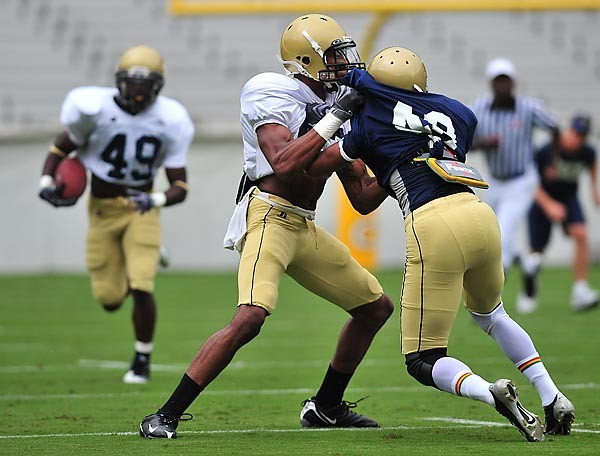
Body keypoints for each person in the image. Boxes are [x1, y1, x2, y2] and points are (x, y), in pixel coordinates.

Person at [138, 14, 394, 439]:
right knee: (251, 316)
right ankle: (164, 414)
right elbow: (285, 163)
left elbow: (363, 198)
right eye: (333, 55)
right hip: (270, 213)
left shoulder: (341, 101)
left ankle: (326, 406)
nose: (343, 63)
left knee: (374, 309)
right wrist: (336, 118)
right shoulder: (272, 90)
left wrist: (402, 162)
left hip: (305, 225)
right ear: (305, 59)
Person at [303, 47, 575, 441]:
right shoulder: (458, 112)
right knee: (492, 314)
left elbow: (316, 165)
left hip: (432, 222)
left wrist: (336, 118)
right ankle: (552, 397)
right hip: (478, 213)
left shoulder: (368, 122)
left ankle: (493, 394)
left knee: (423, 358)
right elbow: (419, 133)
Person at [38, 45, 194, 384]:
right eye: (132, 81)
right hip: (102, 209)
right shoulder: (93, 110)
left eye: (145, 82)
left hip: (141, 210)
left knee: (141, 285)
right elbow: (61, 147)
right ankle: (145, 256)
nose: (138, 90)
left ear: (158, 85)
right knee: (109, 299)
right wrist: (47, 180)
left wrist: (154, 200)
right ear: (118, 81)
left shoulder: (170, 119)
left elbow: (180, 186)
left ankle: (142, 359)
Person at [470, 58, 559, 272]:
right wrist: (485, 143)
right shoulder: (479, 108)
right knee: (495, 229)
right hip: (495, 180)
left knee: (502, 229)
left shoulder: (528, 107)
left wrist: (552, 163)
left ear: (513, 82)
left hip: (522, 180)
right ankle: (529, 267)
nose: (502, 85)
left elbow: (555, 127)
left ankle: (497, 279)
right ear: (491, 84)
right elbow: (466, 143)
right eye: (497, 81)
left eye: (506, 80)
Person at [517, 114, 600, 313]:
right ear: (568, 129)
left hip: (568, 198)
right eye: (575, 133)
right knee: (536, 255)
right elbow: (530, 184)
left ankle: (580, 290)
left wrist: (595, 192)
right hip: (542, 201)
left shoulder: (587, 152)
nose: (577, 139)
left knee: (581, 234)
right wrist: (549, 205)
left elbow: (592, 169)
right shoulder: (548, 151)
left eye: (582, 135)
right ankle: (529, 293)